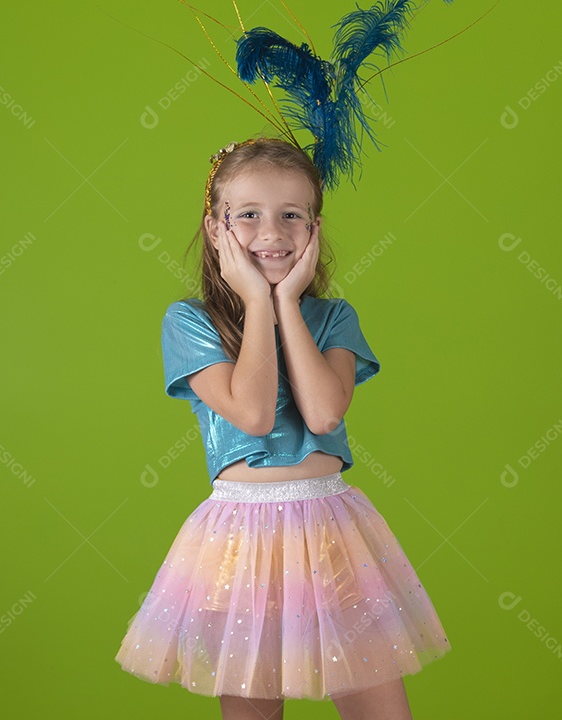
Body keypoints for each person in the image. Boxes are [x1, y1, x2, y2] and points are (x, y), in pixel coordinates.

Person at [115, 137, 450, 720]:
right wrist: (256, 299)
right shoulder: (190, 322)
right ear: (216, 229)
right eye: (248, 215)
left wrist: (288, 301)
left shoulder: (333, 317)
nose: (271, 232)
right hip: (239, 540)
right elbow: (253, 414)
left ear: (314, 228)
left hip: (332, 531)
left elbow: (323, 415)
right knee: (253, 708)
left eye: (291, 215)